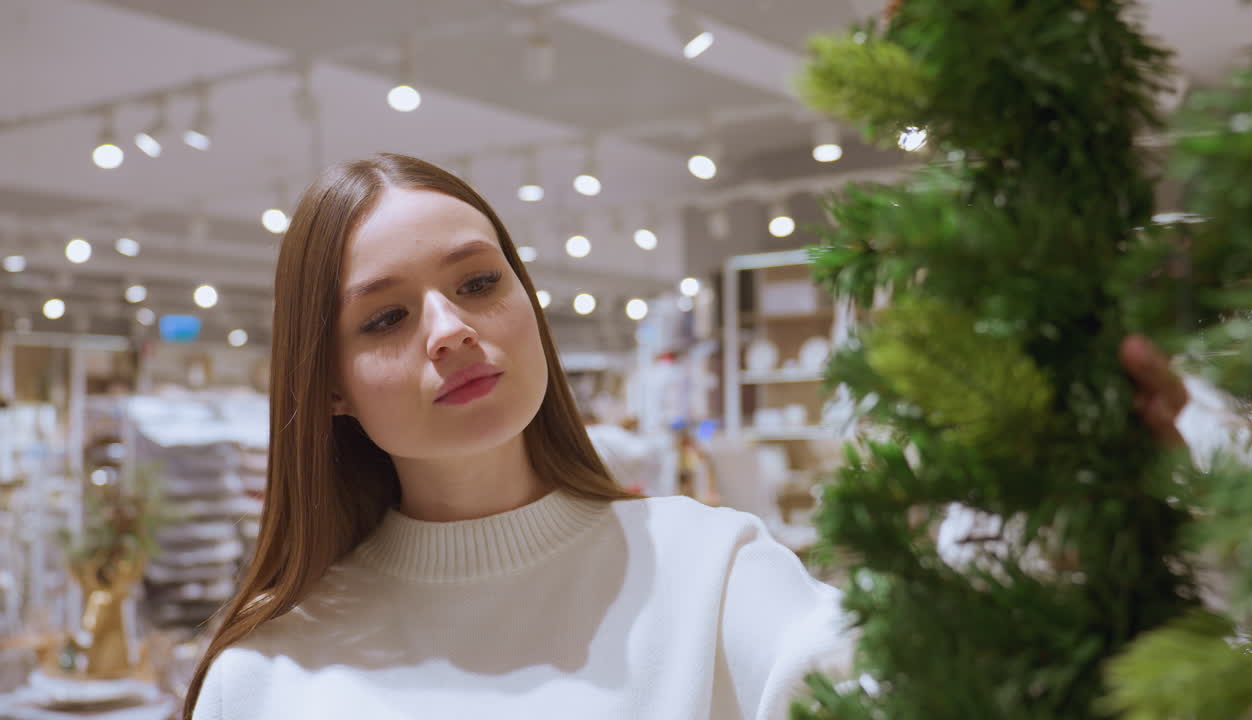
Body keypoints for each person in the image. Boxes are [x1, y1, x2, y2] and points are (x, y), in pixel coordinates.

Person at [184, 154, 850, 720]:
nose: (450, 329)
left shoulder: (713, 572)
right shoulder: (266, 676)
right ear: (330, 384)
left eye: (478, 282)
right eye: (386, 318)